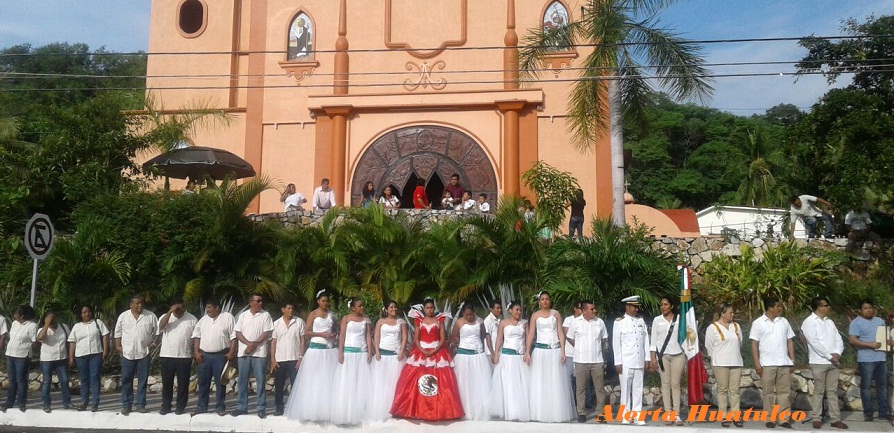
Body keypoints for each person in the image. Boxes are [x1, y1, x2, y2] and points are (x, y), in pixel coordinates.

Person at [390, 297, 463, 420]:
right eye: (427, 308)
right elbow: (416, 338)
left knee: (443, 382)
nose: (430, 310)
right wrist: (422, 350)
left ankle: (444, 411)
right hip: (421, 352)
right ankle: (411, 409)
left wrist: (435, 350)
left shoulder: (440, 320)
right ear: (424, 309)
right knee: (411, 379)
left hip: (437, 351)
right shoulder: (419, 320)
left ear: (434, 308)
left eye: (432, 308)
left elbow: (443, 338)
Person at [286, 290, 338, 422]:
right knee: (314, 380)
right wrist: (322, 335)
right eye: (323, 301)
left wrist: (332, 335)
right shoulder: (313, 314)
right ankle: (312, 410)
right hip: (316, 350)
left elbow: (335, 329)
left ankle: (327, 409)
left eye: (327, 301)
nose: (325, 303)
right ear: (318, 301)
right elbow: (307, 332)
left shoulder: (331, 315)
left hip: (329, 350)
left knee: (328, 380)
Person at [525, 291, 574, 423]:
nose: (545, 301)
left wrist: (563, 351)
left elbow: (560, 333)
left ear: (550, 301)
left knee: (555, 381)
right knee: (540, 381)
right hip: (540, 351)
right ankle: (540, 412)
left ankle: (555, 411)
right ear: (539, 301)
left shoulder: (556, 314)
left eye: (547, 299)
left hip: (554, 351)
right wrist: (527, 352)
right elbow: (530, 334)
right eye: (542, 299)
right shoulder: (535, 316)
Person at [801, 296, 848, 430]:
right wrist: (829, 356)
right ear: (819, 307)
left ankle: (835, 419)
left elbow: (838, 338)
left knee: (832, 391)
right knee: (819, 391)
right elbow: (813, 342)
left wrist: (838, 353)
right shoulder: (809, 322)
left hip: (834, 361)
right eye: (826, 305)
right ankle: (817, 417)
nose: (828, 307)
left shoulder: (830, 322)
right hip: (819, 361)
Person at [750, 297, 796, 429]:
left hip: (783, 363)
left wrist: (792, 360)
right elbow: (754, 344)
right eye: (777, 306)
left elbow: (790, 341)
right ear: (770, 308)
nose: (780, 308)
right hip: (767, 364)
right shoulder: (758, 323)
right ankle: (769, 418)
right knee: (768, 393)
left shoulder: (784, 321)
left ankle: (784, 418)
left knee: (784, 393)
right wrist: (757, 364)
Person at [330, 298, 373, 425]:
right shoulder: (346, 318)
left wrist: (370, 351)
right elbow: (342, 335)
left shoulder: (366, 320)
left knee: (361, 381)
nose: (362, 308)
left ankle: (361, 411)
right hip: (349, 352)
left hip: (362, 352)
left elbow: (368, 336)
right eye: (359, 306)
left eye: (362, 306)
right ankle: (347, 411)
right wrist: (340, 352)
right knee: (347, 381)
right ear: (353, 308)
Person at [191, 298, 236, 416]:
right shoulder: (203, 320)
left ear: (217, 308)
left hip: (221, 356)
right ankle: (201, 407)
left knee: (220, 383)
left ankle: (220, 407)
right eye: (207, 308)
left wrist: (232, 352)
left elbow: (233, 337)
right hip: (204, 356)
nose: (208, 310)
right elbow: (196, 336)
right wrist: (196, 352)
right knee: (203, 383)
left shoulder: (227, 317)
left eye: (210, 308)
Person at [114, 295, 158, 415]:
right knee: (126, 380)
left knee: (142, 380)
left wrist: (153, 343)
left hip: (144, 353)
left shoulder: (150, 316)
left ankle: (140, 404)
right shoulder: (123, 316)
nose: (140, 305)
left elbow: (157, 332)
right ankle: (127, 405)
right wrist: (118, 346)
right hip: (127, 353)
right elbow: (117, 332)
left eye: (141, 303)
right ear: (131, 305)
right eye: (137, 303)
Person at [232, 293, 274, 418]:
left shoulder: (265, 315)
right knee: (242, 380)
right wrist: (248, 344)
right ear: (251, 302)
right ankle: (241, 407)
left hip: (259, 354)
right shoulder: (243, 315)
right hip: (244, 353)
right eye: (258, 301)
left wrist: (254, 345)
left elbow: (267, 332)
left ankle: (261, 407)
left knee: (260, 381)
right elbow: (238, 332)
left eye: (262, 301)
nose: (261, 303)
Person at [848, 300, 890, 422]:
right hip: (866, 360)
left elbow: (886, 338)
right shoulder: (856, 323)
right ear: (860, 310)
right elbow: (852, 340)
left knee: (882, 386)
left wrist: (889, 343)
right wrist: (870, 345)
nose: (869, 310)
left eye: (870, 307)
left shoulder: (880, 321)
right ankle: (868, 413)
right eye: (866, 308)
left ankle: (883, 413)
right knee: (866, 387)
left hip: (881, 359)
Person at [566, 300, 608, 423]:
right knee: (581, 388)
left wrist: (601, 352)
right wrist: (579, 347)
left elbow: (604, 339)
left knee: (599, 388)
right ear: (584, 311)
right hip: (580, 360)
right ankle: (582, 413)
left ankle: (600, 412)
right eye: (592, 309)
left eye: (594, 308)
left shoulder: (600, 322)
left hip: (597, 360)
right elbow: (569, 337)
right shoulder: (575, 322)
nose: (594, 311)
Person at [450, 302, 493, 420]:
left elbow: (485, 336)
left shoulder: (480, 322)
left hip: (478, 355)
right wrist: (455, 348)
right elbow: (453, 337)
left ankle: (479, 409)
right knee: (464, 383)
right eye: (467, 315)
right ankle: (464, 409)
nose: (469, 317)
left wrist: (491, 351)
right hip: (463, 355)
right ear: (463, 313)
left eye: (471, 314)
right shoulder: (459, 322)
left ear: (474, 312)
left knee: (479, 382)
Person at [612, 295, 651, 425]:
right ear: (627, 307)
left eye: (637, 307)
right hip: (626, 361)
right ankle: (626, 415)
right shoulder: (619, 322)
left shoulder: (641, 321)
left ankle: (637, 415)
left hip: (639, 361)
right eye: (634, 307)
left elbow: (646, 341)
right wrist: (618, 362)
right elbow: (616, 343)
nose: (636, 310)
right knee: (625, 390)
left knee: (638, 389)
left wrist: (647, 358)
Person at [704, 303, 744, 428]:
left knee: (735, 390)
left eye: (733, 312)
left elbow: (740, 343)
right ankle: (723, 416)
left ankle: (735, 416)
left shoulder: (736, 326)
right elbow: (708, 346)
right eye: (730, 312)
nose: (733, 315)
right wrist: (715, 357)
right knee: (722, 389)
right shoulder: (712, 327)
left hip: (736, 361)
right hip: (720, 363)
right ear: (723, 313)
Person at [490, 301, 531, 421]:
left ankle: (521, 410)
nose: (519, 312)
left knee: (521, 384)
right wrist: (496, 353)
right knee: (509, 384)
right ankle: (510, 410)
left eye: (520, 310)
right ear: (510, 311)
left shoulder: (524, 323)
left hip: (520, 357)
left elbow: (528, 338)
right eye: (516, 310)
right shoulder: (503, 323)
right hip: (507, 357)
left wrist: (527, 352)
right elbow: (499, 339)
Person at [369, 300, 408, 421]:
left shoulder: (401, 322)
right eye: (391, 307)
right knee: (382, 383)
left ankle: (396, 408)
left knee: (396, 383)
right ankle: (382, 408)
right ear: (386, 309)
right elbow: (376, 336)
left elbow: (405, 337)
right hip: (383, 356)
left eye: (395, 307)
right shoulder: (381, 321)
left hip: (396, 357)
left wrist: (402, 351)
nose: (394, 309)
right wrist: (377, 351)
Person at [157, 297, 197, 416]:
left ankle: (180, 406)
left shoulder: (192, 319)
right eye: (177, 308)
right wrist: (170, 312)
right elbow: (161, 327)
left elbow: (196, 338)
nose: (180, 310)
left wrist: (195, 352)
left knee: (183, 384)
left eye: (182, 307)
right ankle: (166, 406)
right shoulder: (166, 317)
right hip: (167, 355)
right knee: (167, 383)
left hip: (184, 356)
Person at [650, 296, 685, 426]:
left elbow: (686, 336)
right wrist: (652, 357)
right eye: (661, 304)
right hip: (662, 356)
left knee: (675, 384)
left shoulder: (680, 320)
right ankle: (668, 412)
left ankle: (676, 413)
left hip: (678, 355)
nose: (663, 307)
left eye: (666, 304)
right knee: (665, 384)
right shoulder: (657, 320)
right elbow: (653, 340)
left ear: (672, 306)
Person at [67, 305, 109, 412]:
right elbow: (72, 342)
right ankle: (84, 402)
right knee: (84, 380)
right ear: (80, 314)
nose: (87, 314)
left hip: (95, 354)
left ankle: (95, 403)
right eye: (84, 312)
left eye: (88, 312)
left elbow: (105, 335)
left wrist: (105, 350)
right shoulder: (77, 327)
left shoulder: (98, 323)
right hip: (81, 356)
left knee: (95, 378)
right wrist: (71, 357)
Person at [270, 300, 305, 417]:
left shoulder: (299, 322)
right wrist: (273, 360)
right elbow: (273, 342)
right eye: (288, 308)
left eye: (292, 308)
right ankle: (279, 407)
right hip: (280, 359)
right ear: (283, 309)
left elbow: (302, 341)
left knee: (296, 385)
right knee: (279, 385)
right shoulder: (276, 324)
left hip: (294, 358)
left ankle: (296, 409)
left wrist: (301, 358)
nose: (291, 311)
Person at [4, 305, 37, 412]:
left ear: (22, 315)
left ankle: (21, 402)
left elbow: (34, 341)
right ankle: (9, 402)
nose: (14, 315)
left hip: (22, 356)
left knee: (21, 380)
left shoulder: (32, 326)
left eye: (16, 313)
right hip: (10, 354)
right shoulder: (14, 323)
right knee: (12, 380)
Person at [37, 309, 72, 413]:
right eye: (50, 318)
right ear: (45, 319)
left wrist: (70, 357)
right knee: (47, 382)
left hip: (61, 358)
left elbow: (70, 341)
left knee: (65, 381)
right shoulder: (42, 329)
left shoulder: (64, 327)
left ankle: (67, 402)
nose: (53, 320)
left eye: (54, 318)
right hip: (47, 359)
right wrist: (47, 324)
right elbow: (40, 338)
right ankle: (46, 404)